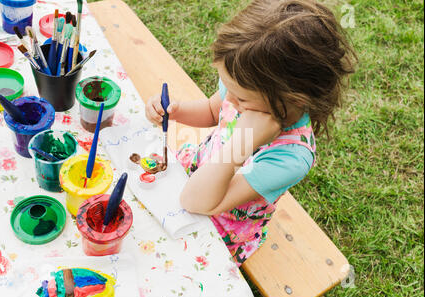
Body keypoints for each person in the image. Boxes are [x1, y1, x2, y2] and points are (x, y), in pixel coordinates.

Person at [145, 0, 357, 266]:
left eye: (241, 98)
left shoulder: (290, 158)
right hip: (197, 170)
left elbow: (196, 202)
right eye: (227, 86)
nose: (229, 98)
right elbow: (213, 111)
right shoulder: (245, 89)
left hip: (221, 224)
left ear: (293, 98)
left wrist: (241, 144)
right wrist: (175, 112)